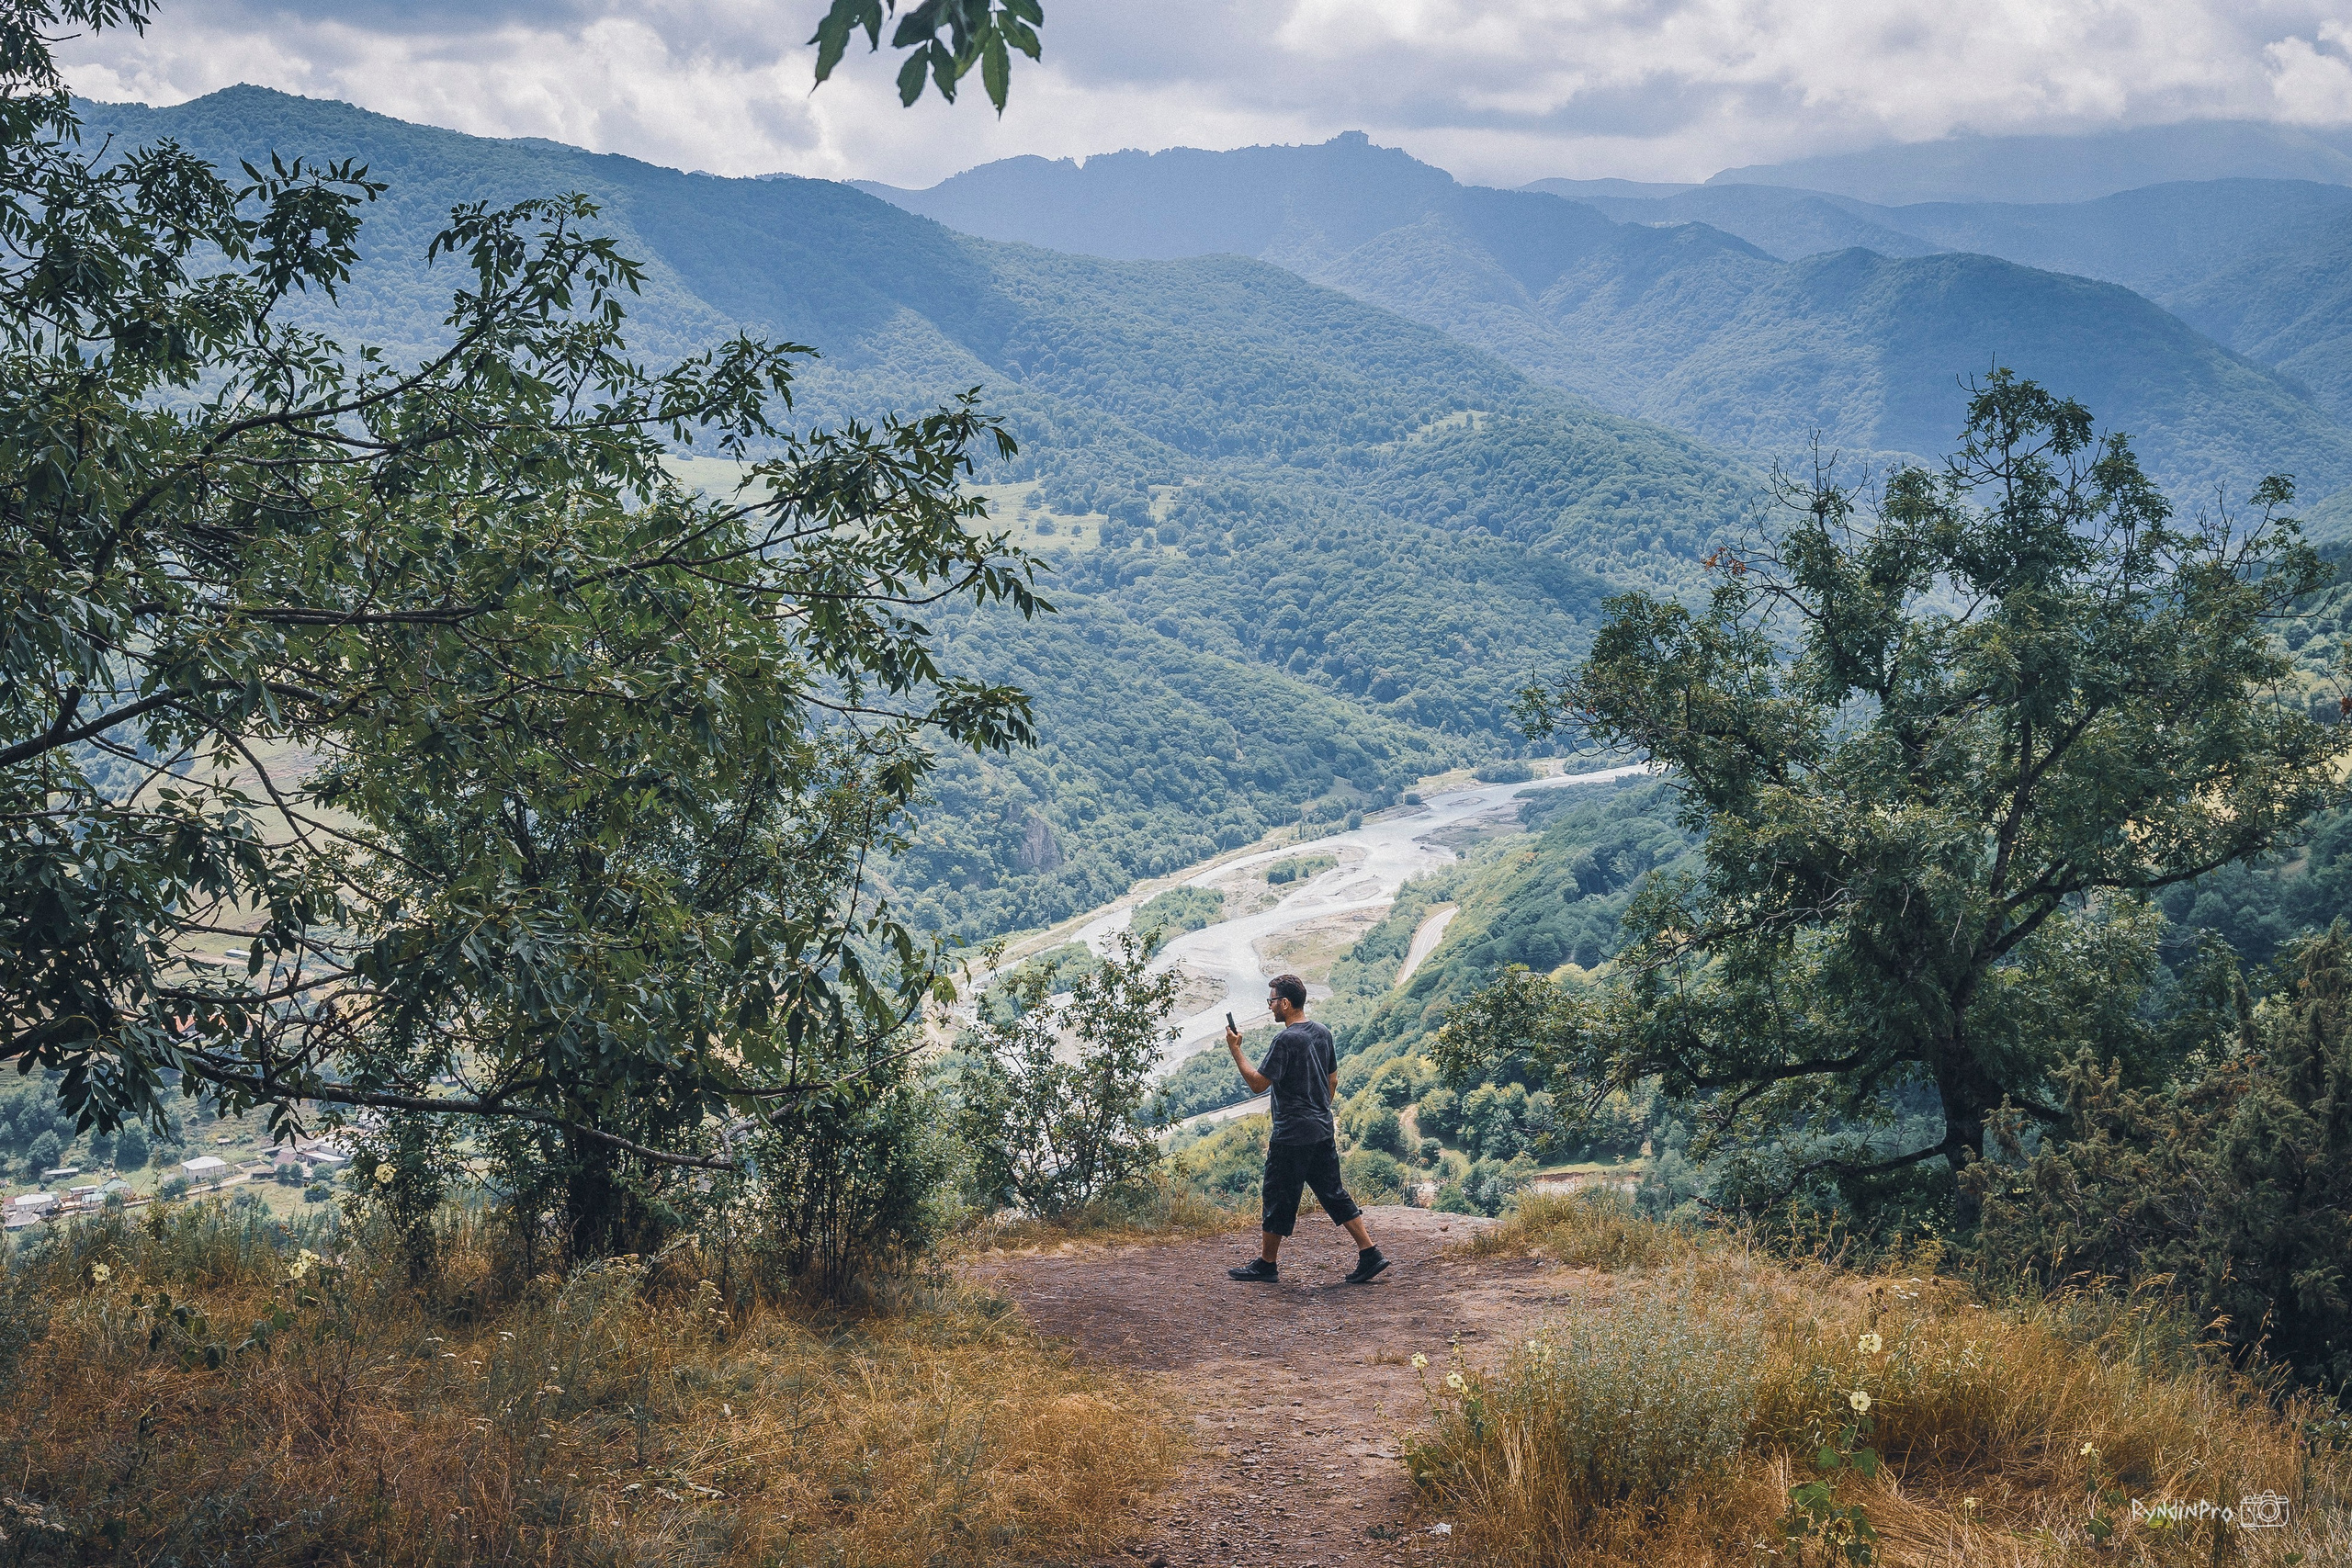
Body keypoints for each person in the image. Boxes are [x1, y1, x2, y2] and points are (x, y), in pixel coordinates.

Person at [1224, 973, 1387, 1283]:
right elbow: (1333, 1079)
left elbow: (1258, 1084)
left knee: (1277, 1194)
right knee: (1333, 1192)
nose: (1270, 1006)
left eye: (1271, 1001)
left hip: (1292, 1134)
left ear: (1285, 1003)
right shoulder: (1322, 1032)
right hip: (1321, 1129)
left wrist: (1236, 1049)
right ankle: (1370, 1253)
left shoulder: (1286, 1039)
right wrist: (1320, 1108)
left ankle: (1267, 1264)